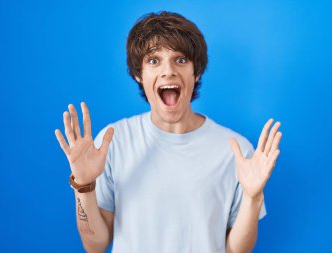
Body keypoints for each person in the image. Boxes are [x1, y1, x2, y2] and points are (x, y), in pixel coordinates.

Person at [55, 11, 282, 253]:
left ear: (196, 72)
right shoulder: (113, 142)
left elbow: (237, 250)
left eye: (180, 60)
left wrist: (253, 197)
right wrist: (84, 185)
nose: (168, 71)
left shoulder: (236, 150)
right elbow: (95, 245)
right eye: (154, 60)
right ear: (138, 74)